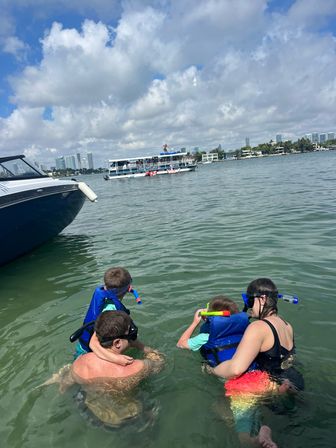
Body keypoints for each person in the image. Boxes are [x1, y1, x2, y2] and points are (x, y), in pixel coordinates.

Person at [177, 294, 279, 448]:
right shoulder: (248, 331)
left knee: (243, 434)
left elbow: (181, 344)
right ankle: (268, 419)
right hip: (260, 378)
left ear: (210, 317)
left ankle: (257, 439)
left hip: (240, 387)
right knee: (258, 409)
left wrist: (195, 322)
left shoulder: (206, 336)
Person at [43, 310, 164, 427]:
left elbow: (67, 381)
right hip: (126, 417)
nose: (132, 338)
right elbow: (160, 363)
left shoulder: (81, 361)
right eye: (130, 335)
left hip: (92, 411)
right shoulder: (137, 367)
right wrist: (141, 346)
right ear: (117, 343)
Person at [73, 267, 148, 365]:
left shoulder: (104, 295)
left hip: (81, 346)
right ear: (127, 289)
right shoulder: (110, 311)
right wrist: (116, 359)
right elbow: (93, 343)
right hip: (91, 351)